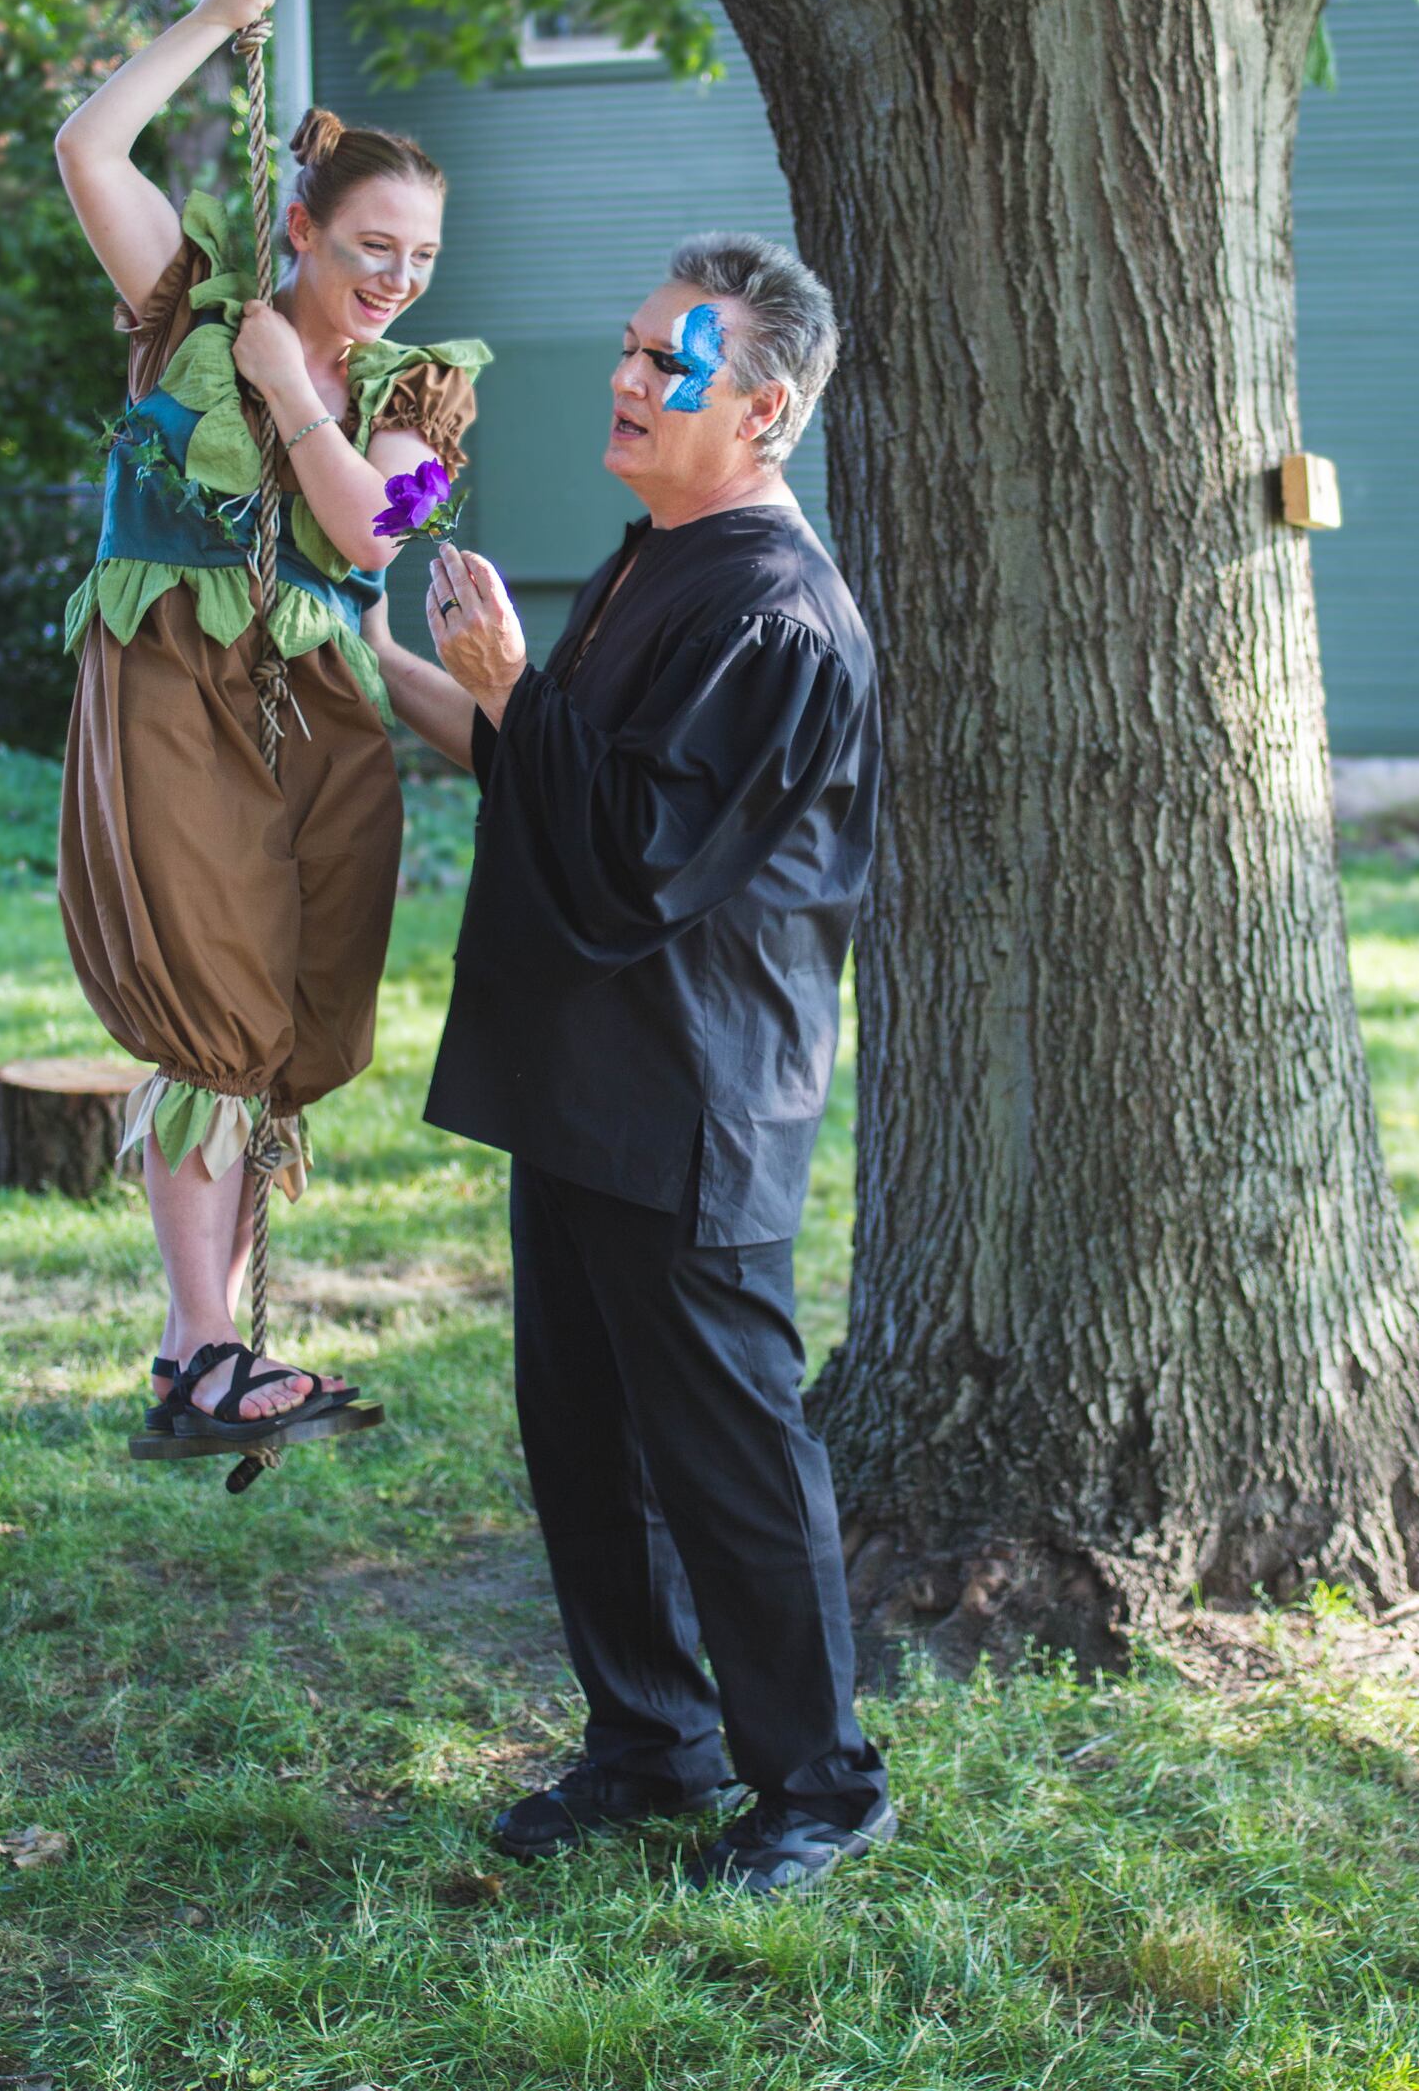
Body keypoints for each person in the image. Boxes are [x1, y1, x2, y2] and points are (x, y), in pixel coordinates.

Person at [361, 235, 893, 1897]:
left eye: (672, 359)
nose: (626, 377)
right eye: (628, 344)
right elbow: (535, 767)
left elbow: (637, 855)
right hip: (581, 1087)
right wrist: (354, 651)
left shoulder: (777, 616)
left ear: (766, 409)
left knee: (730, 1467)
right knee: (582, 1437)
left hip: (693, 1099)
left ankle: (820, 1785)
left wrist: (512, 681)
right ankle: (648, 1747)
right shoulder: (659, 556)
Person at [54, 0, 489, 1442]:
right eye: (374, 246)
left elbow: (377, 525)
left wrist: (298, 388)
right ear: (297, 226)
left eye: (422, 258)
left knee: (292, 1021)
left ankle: (219, 1351)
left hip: (323, 721)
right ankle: (199, 1347)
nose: (399, 279)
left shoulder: (426, 395)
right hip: (175, 687)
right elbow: (87, 146)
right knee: (213, 1013)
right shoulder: (181, 318)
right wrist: (214, 17)